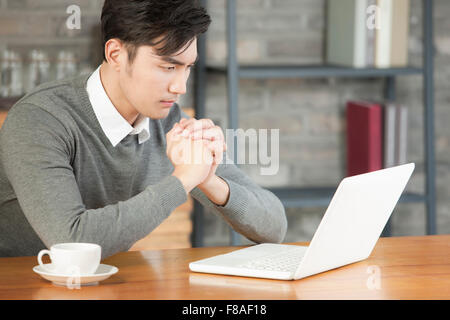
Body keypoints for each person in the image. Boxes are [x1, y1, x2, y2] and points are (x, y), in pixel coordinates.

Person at [0, 0, 287, 259]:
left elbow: (274, 228)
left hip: (102, 283)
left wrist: (208, 179)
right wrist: (183, 180)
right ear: (115, 54)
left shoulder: (167, 120)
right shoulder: (40, 120)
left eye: (188, 68)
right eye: (167, 67)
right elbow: (73, 242)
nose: (180, 88)